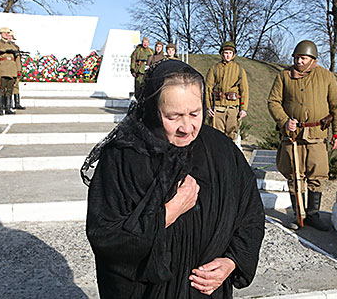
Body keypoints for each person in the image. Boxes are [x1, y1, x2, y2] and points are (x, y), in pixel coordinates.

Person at [82, 59, 265, 298]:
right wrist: (170, 212)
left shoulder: (222, 150)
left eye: (194, 113)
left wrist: (232, 262)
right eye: (173, 116)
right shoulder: (123, 158)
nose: (187, 127)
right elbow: (105, 236)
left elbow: (250, 214)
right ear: (153, 111)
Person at [268, 40, 337, 231]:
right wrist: (284, 120)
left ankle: (312, 215)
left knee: (317, 173)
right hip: (292, 136)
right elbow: (273, 102)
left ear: (313, 59)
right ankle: (298, 215)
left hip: (317, 135)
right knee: (294, 174)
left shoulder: (326, 77)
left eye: (302, 58)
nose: (298, 61)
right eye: (296, 58)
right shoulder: (284, 76)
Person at [205, 41, 249, 141]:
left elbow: (244, 90)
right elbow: (208, 88)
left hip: (233, 108)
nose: (228, 55)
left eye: (230, 53)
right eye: (225, 52)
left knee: (232, 136)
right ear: (221, 54)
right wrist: (208, 107)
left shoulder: (239, 69)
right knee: (216, 137)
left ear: (233, 54)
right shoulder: (214, 68)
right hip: (218, 107)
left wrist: (243, 108)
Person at [0, 27, 21, 115]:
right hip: (3, 69)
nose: (6, 34)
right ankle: (1, 108)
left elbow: (17, 59)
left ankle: (8, 108)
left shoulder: (13, 45)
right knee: (1, 89)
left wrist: (18, 70)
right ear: (1, 34)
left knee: (10, 89)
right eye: (4, 33)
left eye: (7, 33)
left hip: (12, 69)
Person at [9, 30, 25, 110]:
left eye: (11, 36)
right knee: (7, 87)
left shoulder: (15, 46)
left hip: (15, 68)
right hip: (7, 69)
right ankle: (7, 105)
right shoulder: (3, 46)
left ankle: (17, 103)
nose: (10, 37)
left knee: (16, 86)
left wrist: (19, 70)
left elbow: (18, 60)